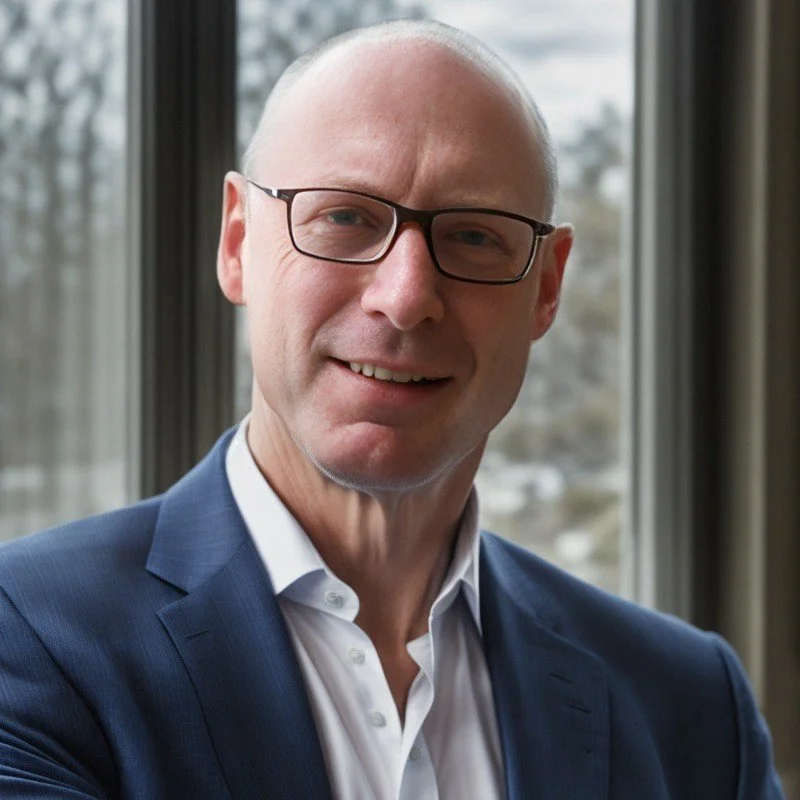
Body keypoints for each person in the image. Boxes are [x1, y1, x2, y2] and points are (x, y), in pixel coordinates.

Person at [0, 18, 784, 800]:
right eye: (345, 218)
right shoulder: (30, 641)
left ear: (546, 288)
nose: (407, 299)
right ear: (238, 242)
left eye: (476, 236)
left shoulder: (690, 706)